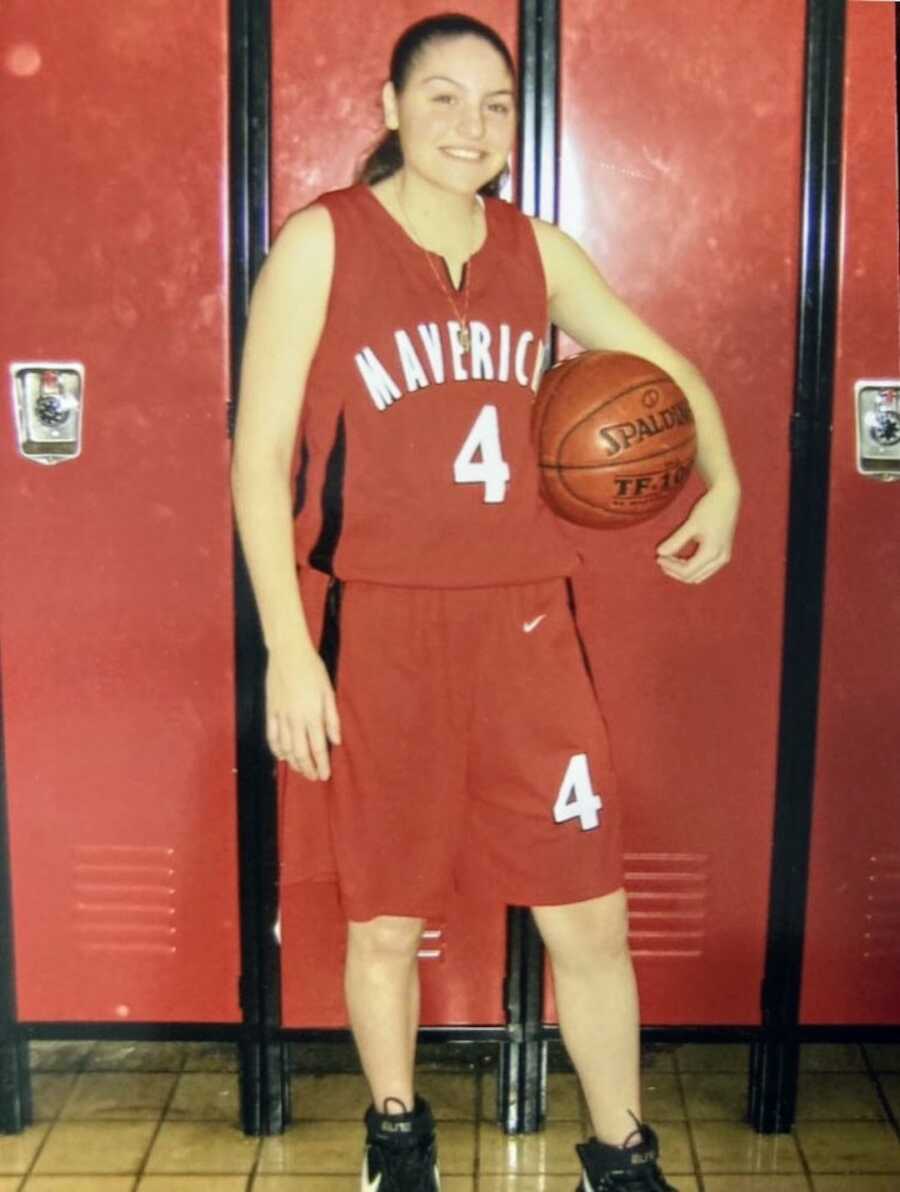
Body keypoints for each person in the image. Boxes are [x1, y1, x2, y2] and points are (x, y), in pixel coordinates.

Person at [231, 12, 740, 1192]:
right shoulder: (322, 241)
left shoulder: (539, 251)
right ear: (390, 106)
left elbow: (664, 369)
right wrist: (288, 648)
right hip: (383, 632)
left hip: (527, 627)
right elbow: (260, 461)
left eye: (495, 104)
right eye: (444, 98)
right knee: (384, 921)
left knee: (590, 915)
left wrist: (728, 479)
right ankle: (398, 1140)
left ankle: (620, 1158)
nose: (472, 126)